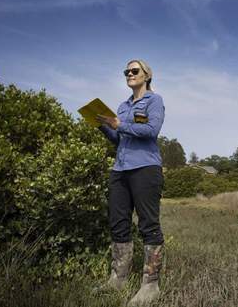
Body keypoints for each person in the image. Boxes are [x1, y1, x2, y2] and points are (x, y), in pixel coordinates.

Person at [95, 59, 165, 306]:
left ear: (146, 75)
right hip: (120, 169)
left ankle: (150, 285)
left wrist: (119, 124)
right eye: (126, 72)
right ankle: (119, 277)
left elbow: (151, 130)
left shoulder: (153, 101)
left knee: (148, 224)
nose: (129, 74)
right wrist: (103, 126)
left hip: (146, 168)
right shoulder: (123, 106)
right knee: (118, 222)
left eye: (134, 71)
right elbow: (119, 139)